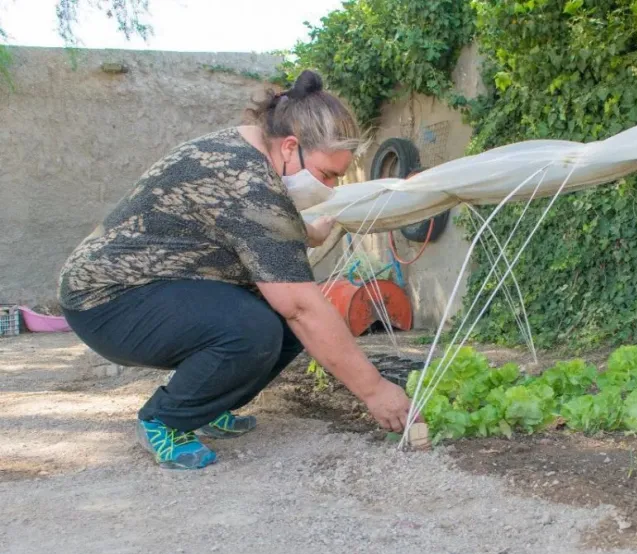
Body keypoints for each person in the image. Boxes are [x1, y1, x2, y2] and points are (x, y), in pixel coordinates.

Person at [57, 70, 414, 470]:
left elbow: (253, 224)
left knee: (286, 329)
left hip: (157, 286)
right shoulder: (247, 178)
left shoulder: (253, 153)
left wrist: (312, 232)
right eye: (327, 175)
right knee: (256, 328)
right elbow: (299, 304)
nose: (329, 187)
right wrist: (374, 389)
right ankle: (165, 420)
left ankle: (206, 407)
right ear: (291, 146)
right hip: (107, 301)